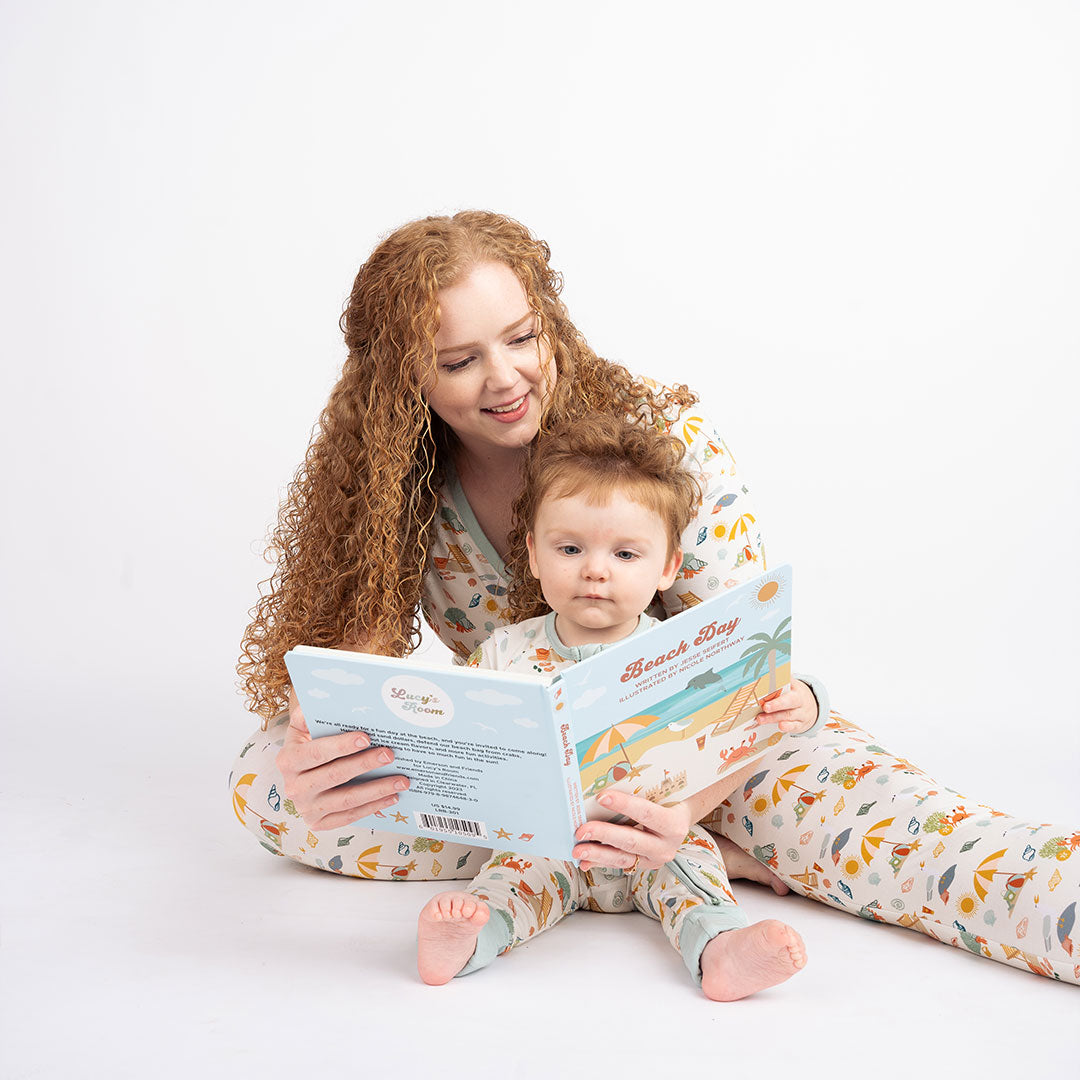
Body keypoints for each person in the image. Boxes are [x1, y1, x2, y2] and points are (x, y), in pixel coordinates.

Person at [232, 210, 1078, 984]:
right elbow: (356, 676)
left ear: (550, 324)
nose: (504, 377)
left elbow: (754, 668)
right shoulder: (393, 486)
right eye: (458, 361)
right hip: (529, 789)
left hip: (720, 758)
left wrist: (683, 813)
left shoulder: (660, 441)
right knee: (263, 783)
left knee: (929, 852)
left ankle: (712, 850)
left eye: (523, 337)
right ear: (402, 377)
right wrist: (327, 751)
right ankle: (677, 862)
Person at [416, 414, 809, 997]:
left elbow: (753, 700)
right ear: (532, 554)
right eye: (570, 548)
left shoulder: (679, 652)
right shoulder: (504, 652)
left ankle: (719, 950)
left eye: (626, 554)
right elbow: (460, 733)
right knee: (506, 877)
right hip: (549, 847)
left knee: (694, 866)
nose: (595, 569)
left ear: (668, 567)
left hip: (653, 843)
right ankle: (469, 942)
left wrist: (806, 698)